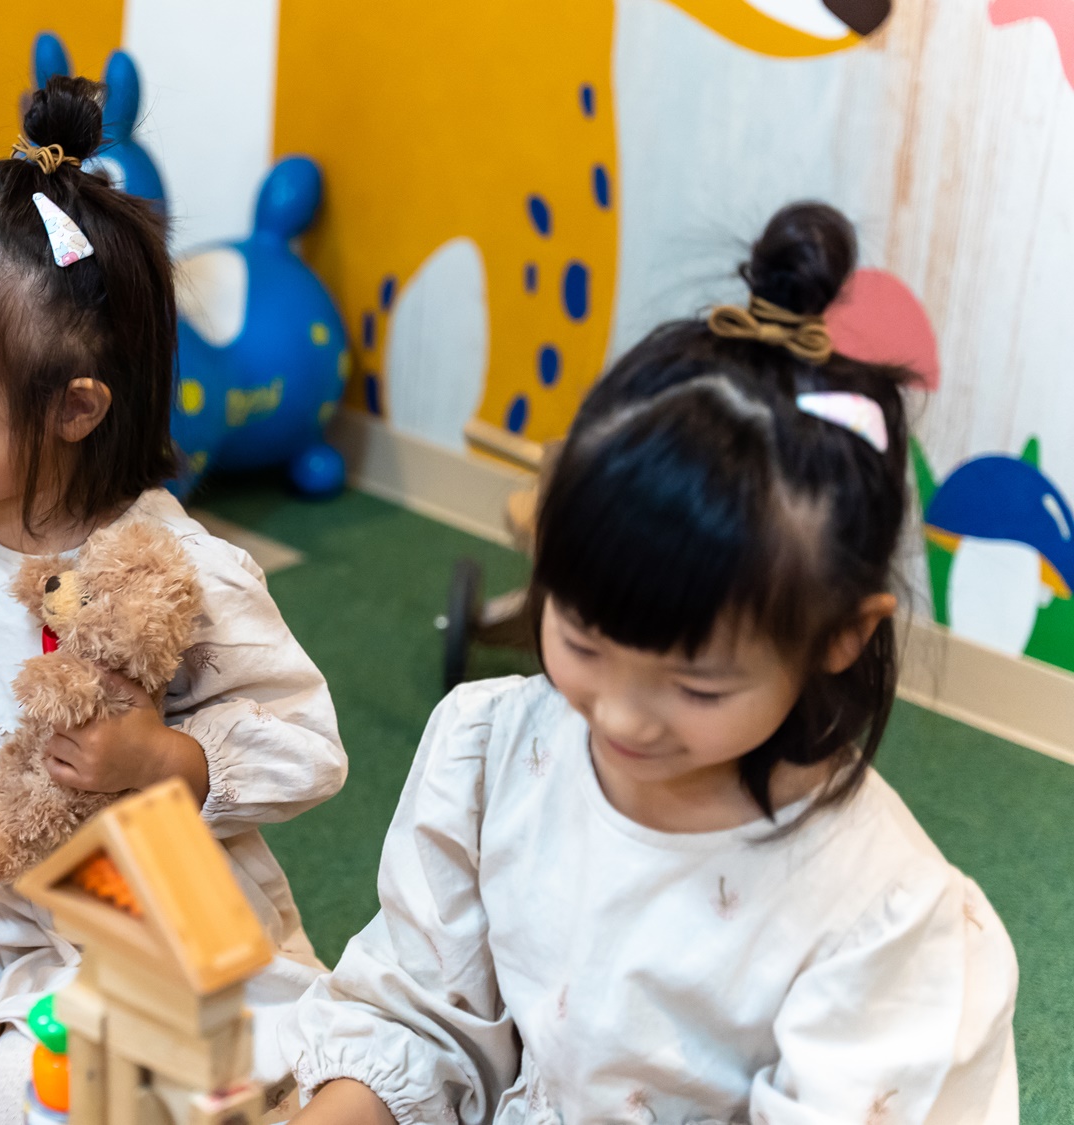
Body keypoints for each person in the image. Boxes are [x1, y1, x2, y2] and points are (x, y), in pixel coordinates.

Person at [282, 203, 1018, 1123]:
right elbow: (421, 1021)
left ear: (842, 634)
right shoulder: (498, 751)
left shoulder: (883, 921)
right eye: (583, 639)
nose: (621, 717)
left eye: (699, 684)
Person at [0, 77, 349, 1124]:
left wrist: (159, 761)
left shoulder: (182, 571)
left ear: (76, 407)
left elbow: (306, 745)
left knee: (24, 1101)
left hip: (112, 907)